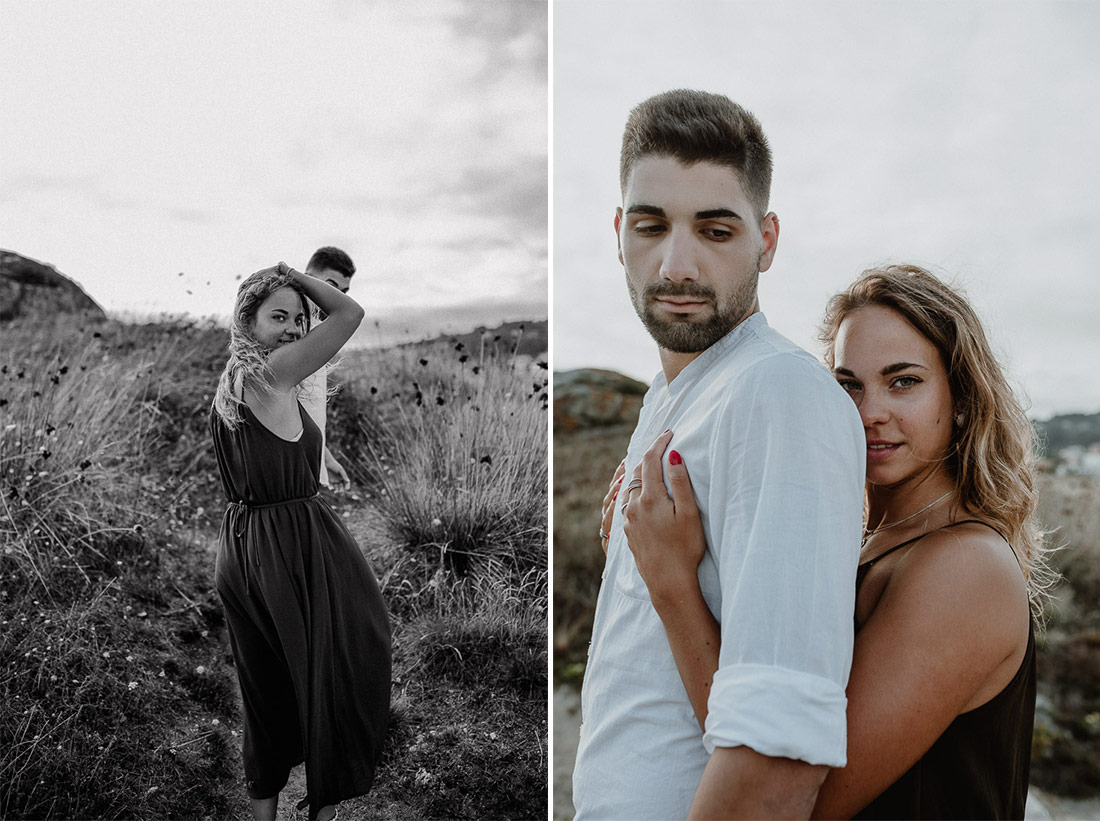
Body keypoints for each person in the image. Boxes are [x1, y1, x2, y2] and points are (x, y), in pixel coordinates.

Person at [615, 264, 1048, 819]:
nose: (870, 413)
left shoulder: (965, 567)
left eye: (904, 381)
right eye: (848, 386)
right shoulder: (872, 541)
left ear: (960, 397)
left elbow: (795, 797)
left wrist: (672, 585)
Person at [570, 89, 866, 820]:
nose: (676, 264)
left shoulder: (777, 393)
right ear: (617, 232)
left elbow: (776, 761)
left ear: (766, 240)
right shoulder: (667, 399)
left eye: (715, 229)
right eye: (650, 225)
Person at [210, 262, 391, 821]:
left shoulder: (235, 379)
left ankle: (269, 811)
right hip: (290, 544)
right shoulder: (273, 373)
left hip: (243, 545)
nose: (292, 328)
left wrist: (320, 453)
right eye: (278, 316)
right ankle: (324, 803)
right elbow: (351, 313)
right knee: (343, 662)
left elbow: (273, 450)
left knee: (264, 690)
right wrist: (294, 273)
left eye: (298, 318)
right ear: (248, 320)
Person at [299, 246, 357, 491]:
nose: (338, 298)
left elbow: (306, 406)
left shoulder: (318, 327)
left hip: (308, 458)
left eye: (344, 292)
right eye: (332, 287)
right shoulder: (291, 328)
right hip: (289, 460)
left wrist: (325, 457)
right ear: (307, 276)